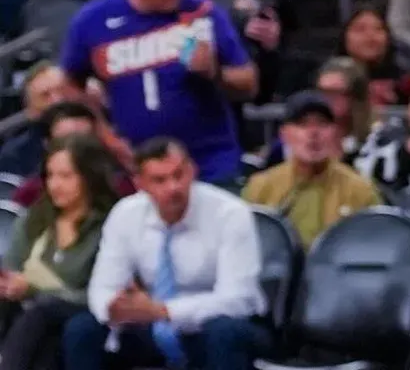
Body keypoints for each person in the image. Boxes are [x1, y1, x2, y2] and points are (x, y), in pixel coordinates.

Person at [59, 0, 258, 183]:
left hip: (208, 165)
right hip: (133, 169)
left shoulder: (201, 12)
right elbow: (69, 82)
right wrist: (105, 135)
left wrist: (214, 72)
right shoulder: (93, 21)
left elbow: (249, 83)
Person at [61, 138, 269, 370]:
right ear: (139, 183)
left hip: (220, 328)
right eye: (160, 180)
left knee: (223, 332)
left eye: (179, 175)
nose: (173, 187)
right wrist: (117, 307)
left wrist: (164, 311)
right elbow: (103, 287)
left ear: (192, 170)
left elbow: (237, 300)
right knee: (82, 329)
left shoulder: (230, 214)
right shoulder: (126, 214)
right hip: (152, 324)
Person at [0, 135, 118, 370]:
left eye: (65, 176)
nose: (55, 184)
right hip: (33, 318)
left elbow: (101, 294)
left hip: (82, 313)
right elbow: (11, 266)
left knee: (42, 314)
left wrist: (34, 289)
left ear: (89, 176)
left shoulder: (109, 225)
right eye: (50, 175)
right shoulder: (35, 218)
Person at [241, 92, 380, 249]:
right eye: (303, 124)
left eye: (322, 123)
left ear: (335, 132)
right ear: (284, 134)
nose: (313, 133)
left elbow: (376, 246)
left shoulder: (360, 189)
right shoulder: (261, 187)